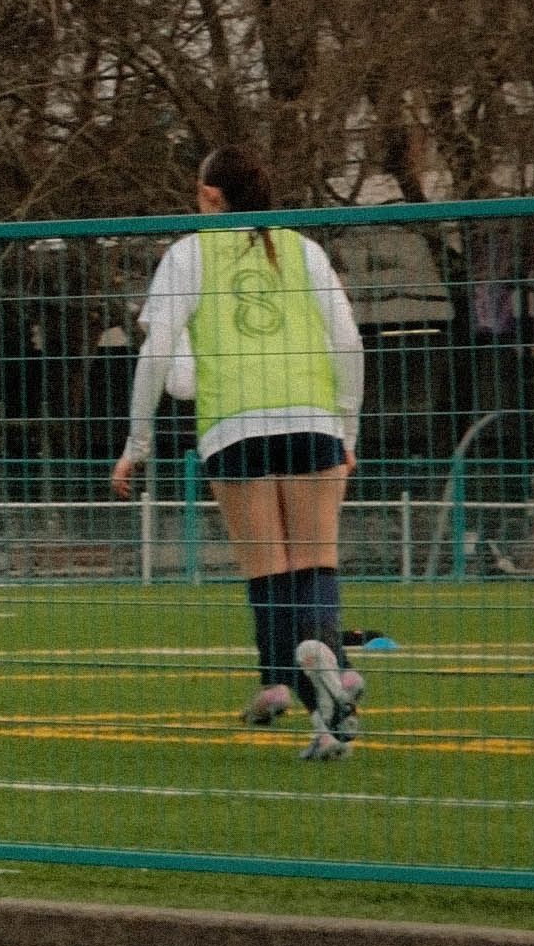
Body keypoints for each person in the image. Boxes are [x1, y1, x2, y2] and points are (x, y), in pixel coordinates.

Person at [112, 145, 367, 749]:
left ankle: (282, 681)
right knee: (316, 561)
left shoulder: (188, 253)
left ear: (208, 196)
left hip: (234, 425)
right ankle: (327, 690)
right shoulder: (305, 250)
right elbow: (350, 344)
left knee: (267, 570)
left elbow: (159, 357)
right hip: (314, 419)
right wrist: (347, 431)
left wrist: (136, 443)